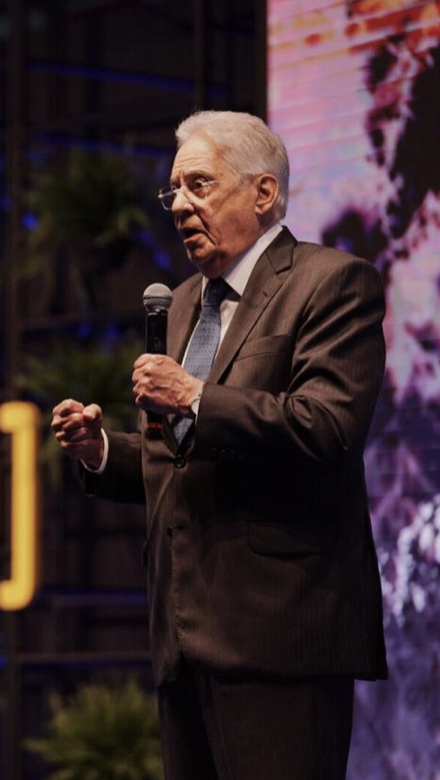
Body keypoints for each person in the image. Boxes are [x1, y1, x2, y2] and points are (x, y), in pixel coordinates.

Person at [50, 110, 387, 780]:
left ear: (263, 193)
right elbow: (180, 454)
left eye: (198, 185)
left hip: (282, 634)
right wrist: (101, 452)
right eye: (173, 191)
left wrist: (195, 395)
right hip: (183, 635)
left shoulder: (330, 282)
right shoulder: (180, 304)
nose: (180, 205)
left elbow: (327, 427)